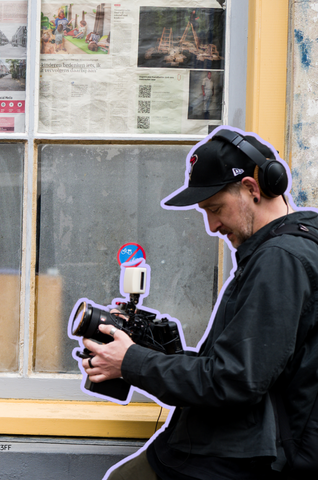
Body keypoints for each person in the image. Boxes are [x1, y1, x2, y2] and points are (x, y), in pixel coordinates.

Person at [80, 127, 318, 479]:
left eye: (215, 208)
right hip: (222, 449)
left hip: (232, 460)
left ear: (252, 189)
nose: (212, 225)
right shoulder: (285, 249)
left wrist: (132, 362)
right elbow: (238, 366)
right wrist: (145, 349)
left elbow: (236, 380)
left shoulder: (280, 260)